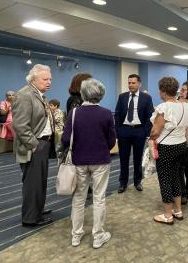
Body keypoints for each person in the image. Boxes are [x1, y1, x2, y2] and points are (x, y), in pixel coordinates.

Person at [62, 78, 116, 248]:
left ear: (83, 93)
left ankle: (76, 235)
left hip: (79, 160)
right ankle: (98, 235)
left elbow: (65, 139)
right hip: (101, 160)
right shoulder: (107, 113)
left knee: (78, 198)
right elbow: (111, 141)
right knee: (99, 198)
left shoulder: (74, 113)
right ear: (100, 94)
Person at [12, 64, 54, 227]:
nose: (49, 82)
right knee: (32, 184)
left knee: (40, 182)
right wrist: (34, 145)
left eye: (50, 79)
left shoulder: (40, 94)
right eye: (45, 79)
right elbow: (20, 125)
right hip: (34, 147)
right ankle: (30, 218)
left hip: (43, 144)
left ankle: (37, 209)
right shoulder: (24, 95)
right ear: (33, 79)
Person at [149, 77, 188, 224]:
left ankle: (167, 215)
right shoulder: (185, 106)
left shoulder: (164, 107)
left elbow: (155, 131)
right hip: (181, 144)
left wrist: (151, 134)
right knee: (175, 176)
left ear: (162, 91)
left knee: (164, 179)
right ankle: (178, 210)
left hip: (166, 147)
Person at [115, 74, 154, 193]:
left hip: (139, 131)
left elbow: (150, 116)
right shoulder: (122, 97)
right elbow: (117, 114)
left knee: (138, 158)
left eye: (133, 83)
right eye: (129, 83)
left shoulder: (146, 98)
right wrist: (118, 130)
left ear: (139, 84)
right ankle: (123, 183)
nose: (130, 85)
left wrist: (146, 132)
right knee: (123, 159)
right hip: (124, 130)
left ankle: (138, 181)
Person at [66, 73, 93, 196]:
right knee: (79, 166)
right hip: (79, 138)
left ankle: (85, 187)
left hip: (83, 136)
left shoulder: (82, 98)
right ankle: (81, 188)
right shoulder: (75, 100)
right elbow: (76, 120)